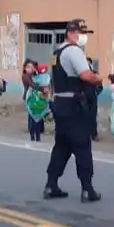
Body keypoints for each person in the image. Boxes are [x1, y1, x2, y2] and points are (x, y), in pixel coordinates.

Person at [43, 19, 103, 203]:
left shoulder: (57, 52)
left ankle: (51, 184)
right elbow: (85, 75)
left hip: (60, 104)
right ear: (70, 33)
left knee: (62, 145)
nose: (82, 37)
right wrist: (98, 78)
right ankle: (87, 189)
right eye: (80, 33)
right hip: (74, 105)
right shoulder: (73, 51)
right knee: (82, 145)